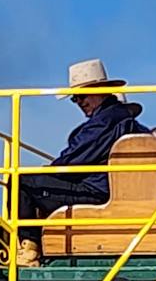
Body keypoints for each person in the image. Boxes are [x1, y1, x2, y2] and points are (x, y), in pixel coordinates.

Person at [13, 59, 147, 267]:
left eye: (82, 95)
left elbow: (72, 162)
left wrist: (46, 174)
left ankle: (29, 250)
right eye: (74, 99)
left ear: (101, 91)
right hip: (112, 191)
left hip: (97, 193)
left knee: (22, 181)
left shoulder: (104, 123)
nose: (79, 102)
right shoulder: (125, 122)